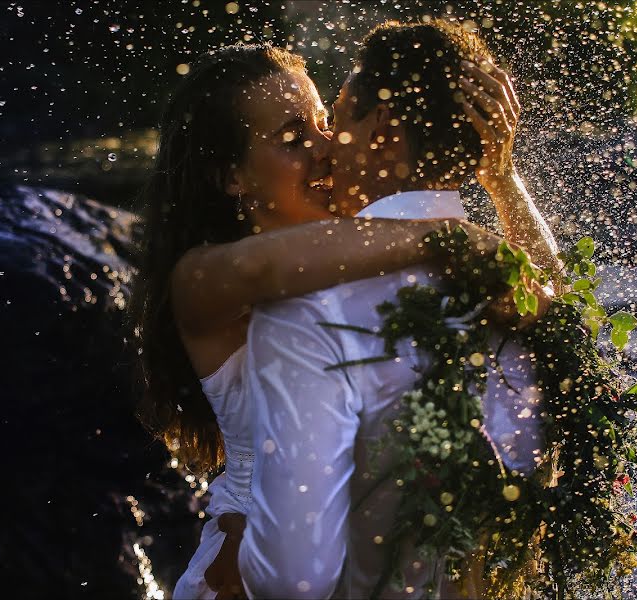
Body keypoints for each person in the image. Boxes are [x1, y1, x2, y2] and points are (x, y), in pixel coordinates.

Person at [131, 41, 545, 599]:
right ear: (233, 177)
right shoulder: (203, 278)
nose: (327, 147)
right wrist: (449, 233)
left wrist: (502, 180)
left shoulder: (381, 246)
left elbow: (545, 306)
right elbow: (261, 272)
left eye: (324, 121)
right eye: (293, 139)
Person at [237, 20, 560, 598]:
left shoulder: (312, 310)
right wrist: (502, 179)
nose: (324, 145)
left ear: (382, 125)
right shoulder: (524, 296)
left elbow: (292, 578)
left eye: (335, 119)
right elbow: (568, 323)